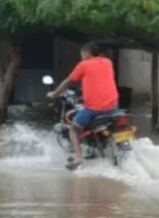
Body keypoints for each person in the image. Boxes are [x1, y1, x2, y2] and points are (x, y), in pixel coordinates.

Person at [47, 41, 119, 171]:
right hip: (113, 107)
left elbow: (68, 81)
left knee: (74, 128)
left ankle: (79, 157)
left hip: (94, 109)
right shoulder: (108, 62)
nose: (80, 55)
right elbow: (99, 82)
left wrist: (55, 94)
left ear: (87, 53)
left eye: (81, 53)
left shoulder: (83, 65)